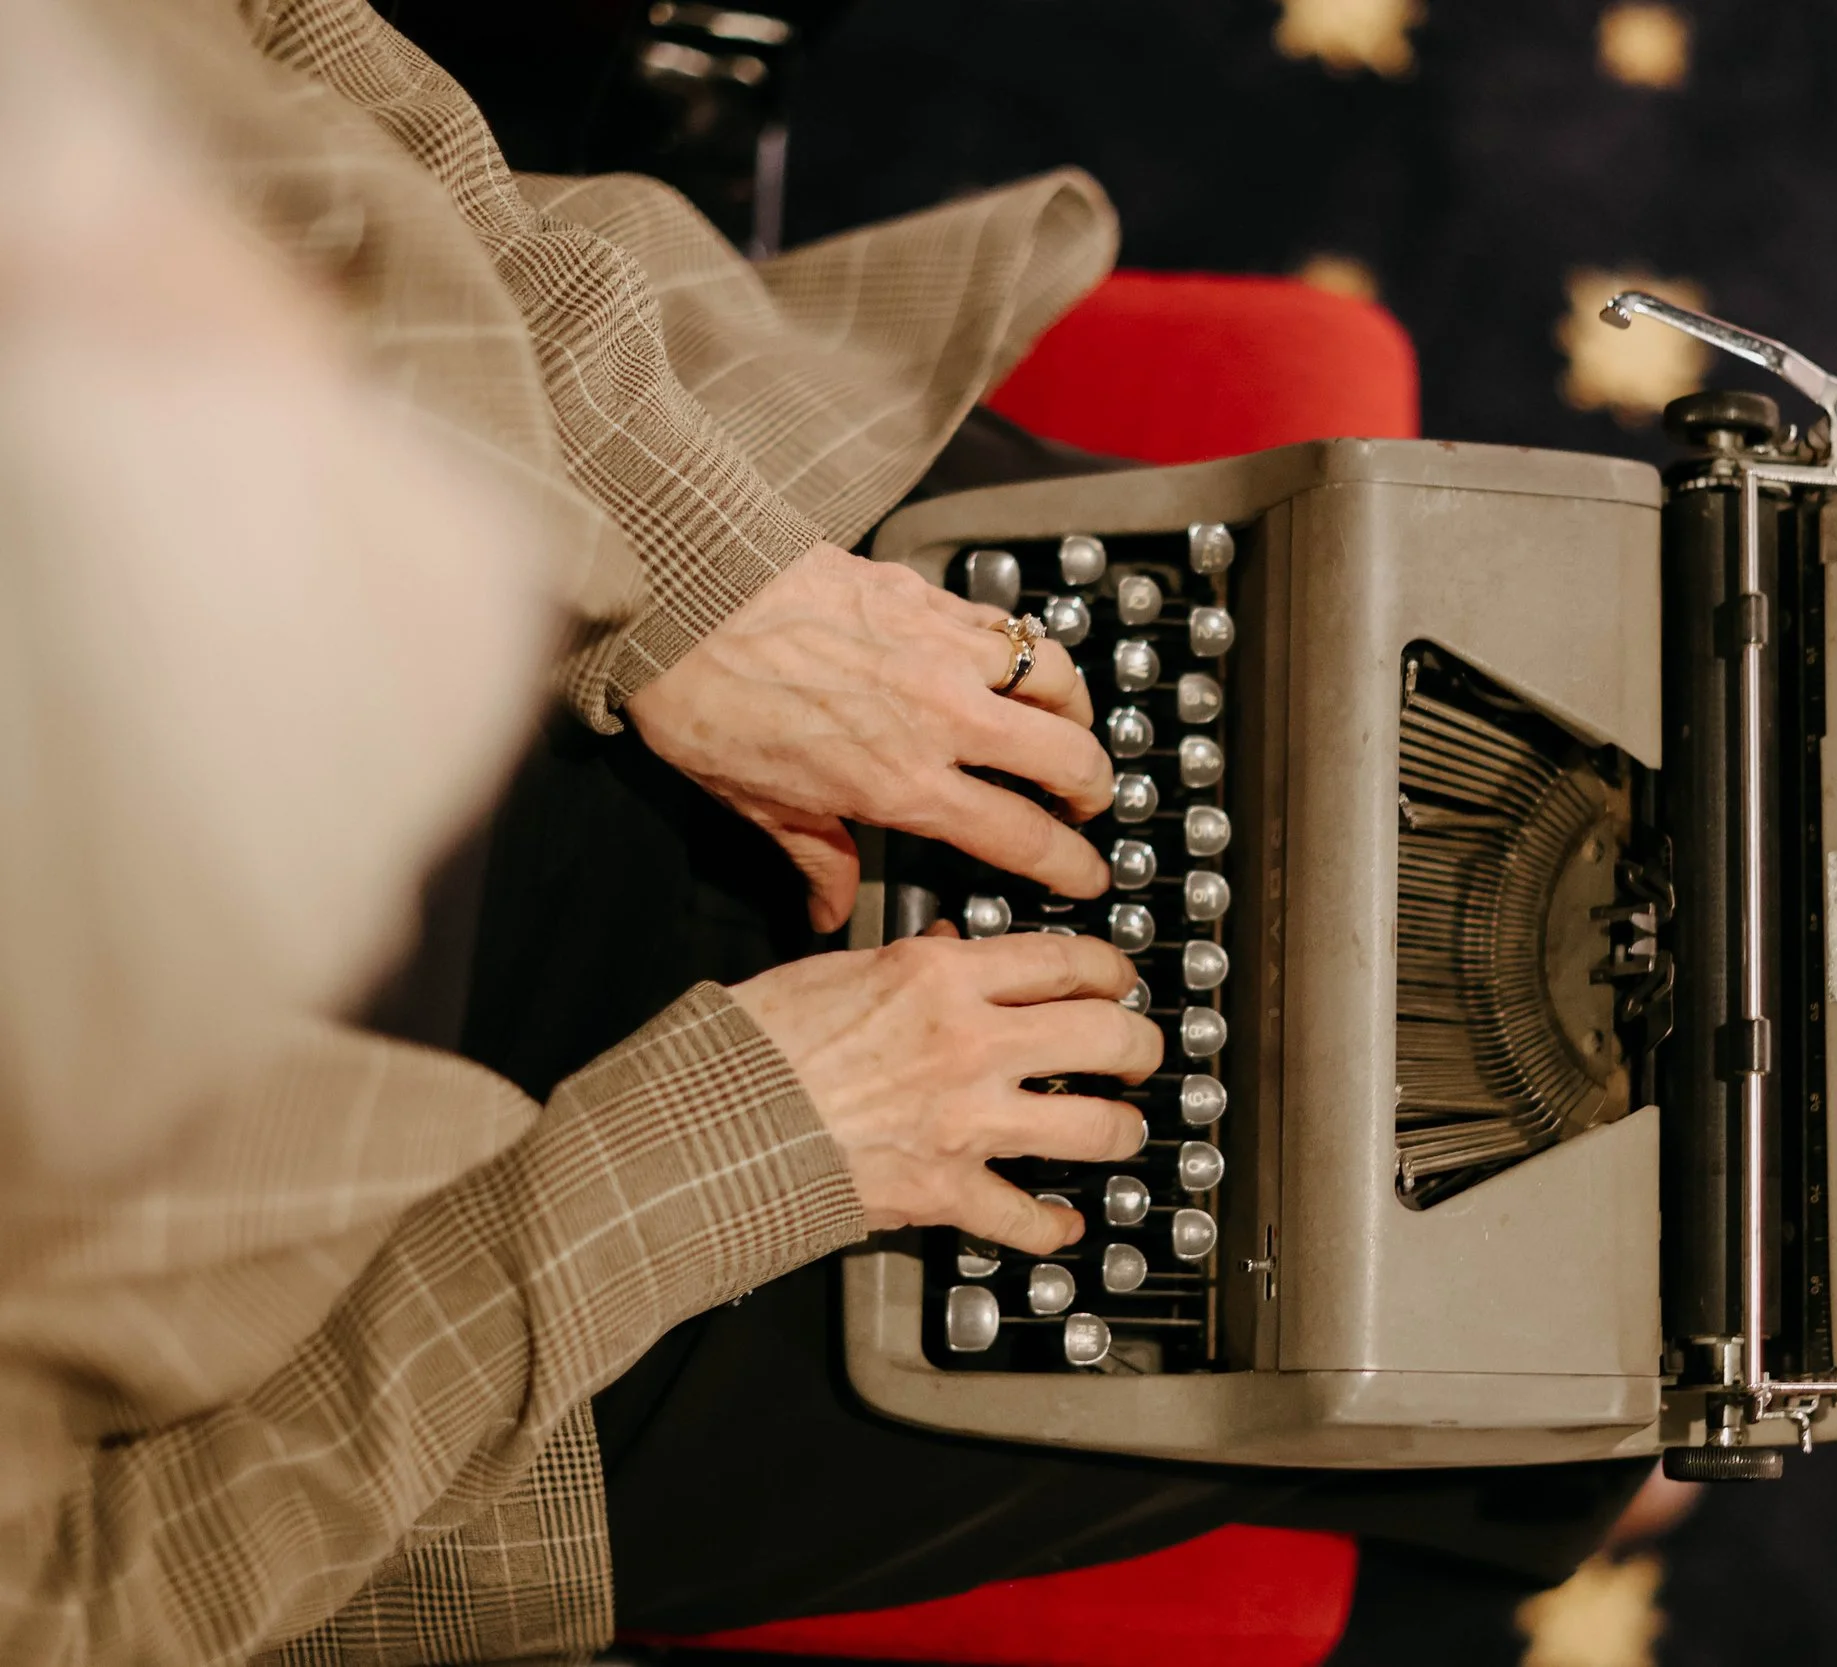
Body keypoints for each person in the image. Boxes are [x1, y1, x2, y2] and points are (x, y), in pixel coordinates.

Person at [2, 0, 1156, 1660]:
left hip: (536, 454)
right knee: (1241, 1340)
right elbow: (87, 1602)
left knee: (1268, 709)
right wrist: (692, 1166)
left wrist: (692, 570)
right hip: (349, 1320)